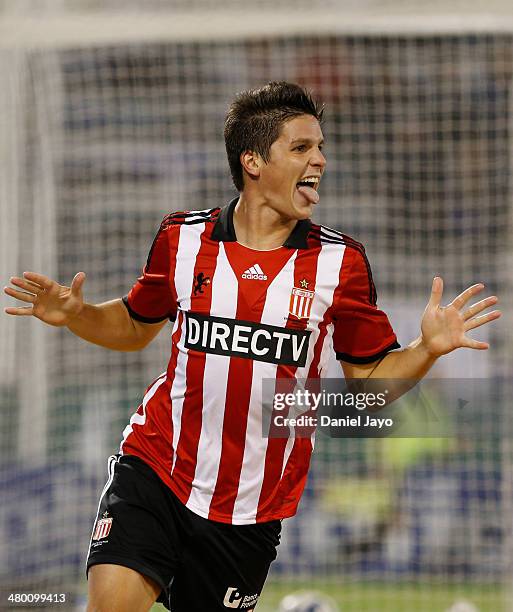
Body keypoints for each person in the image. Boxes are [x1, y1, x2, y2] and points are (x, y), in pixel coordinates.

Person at [4, 82, 501, 612]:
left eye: (321, 147)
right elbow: (132, 325)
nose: (321, 160)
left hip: (250, 507)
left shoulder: (341, 264)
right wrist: (77, 314)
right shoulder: (182, 240)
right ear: (254, 162)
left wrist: (426, 348)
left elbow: (369, 386)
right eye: (302, 147)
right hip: (157, 465)